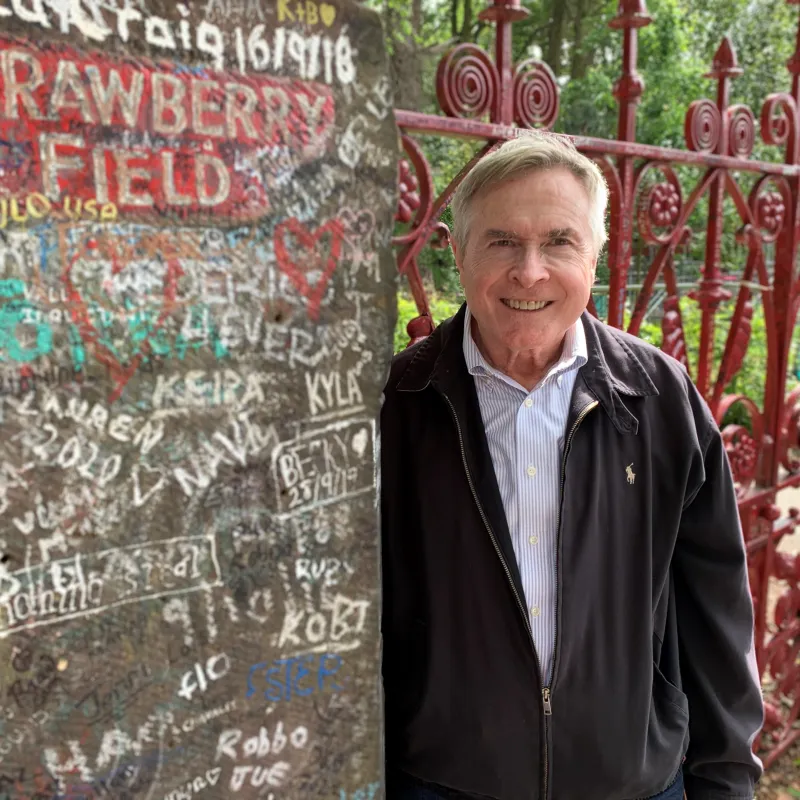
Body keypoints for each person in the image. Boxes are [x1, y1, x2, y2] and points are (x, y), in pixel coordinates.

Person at [380, 133, 764, 800]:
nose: (530, 272)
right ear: (456, 251)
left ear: (595, 254)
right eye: (501, 241)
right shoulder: (401, 404)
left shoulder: (660, 400)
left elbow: (716, 614)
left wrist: (726, 782)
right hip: (446, 784)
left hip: (633, 784)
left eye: (559, 241)